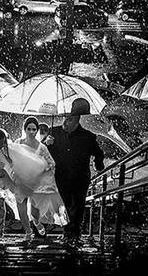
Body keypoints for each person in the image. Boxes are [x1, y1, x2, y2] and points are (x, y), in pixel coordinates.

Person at [0, 117, 68, 245]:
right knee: (21, 207)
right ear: (25, 129)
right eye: (29, 129)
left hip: (36, 183)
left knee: (34, 211)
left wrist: (45, 168)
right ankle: (28, 232)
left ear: (37, 131)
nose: (31, 131)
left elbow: (51, 163)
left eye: (34, 129)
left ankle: (36, 222)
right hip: (20, 180)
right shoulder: (18, 143)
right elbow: (10, 157)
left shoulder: (42, 147)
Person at [45, 98, 104, 246]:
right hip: (61, 176)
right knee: (64, 204)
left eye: (69, 120)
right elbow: (41, 152)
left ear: (77, 121)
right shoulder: (54, 133)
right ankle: (67, 232)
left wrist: (98, 164)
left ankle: (75, 233)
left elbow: (98, 153)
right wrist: (47, 144)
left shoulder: (88, 137)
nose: (65, 122)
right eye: (65, 118)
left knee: (78, 205)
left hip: (80, 177)